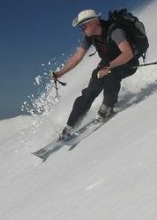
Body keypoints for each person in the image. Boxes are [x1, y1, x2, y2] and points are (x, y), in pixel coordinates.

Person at [51, 8, 138, 139]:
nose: (81, 29)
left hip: (127, 63)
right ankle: (70, 125)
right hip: (108, 65)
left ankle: (107, 106)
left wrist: (109, 67)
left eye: (83, 25)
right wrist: (59, 73)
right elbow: (77, 57)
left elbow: (128, 53)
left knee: (111, 76)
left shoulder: (115, 31)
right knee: (90, 90)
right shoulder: (89, 38)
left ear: (94, 22)